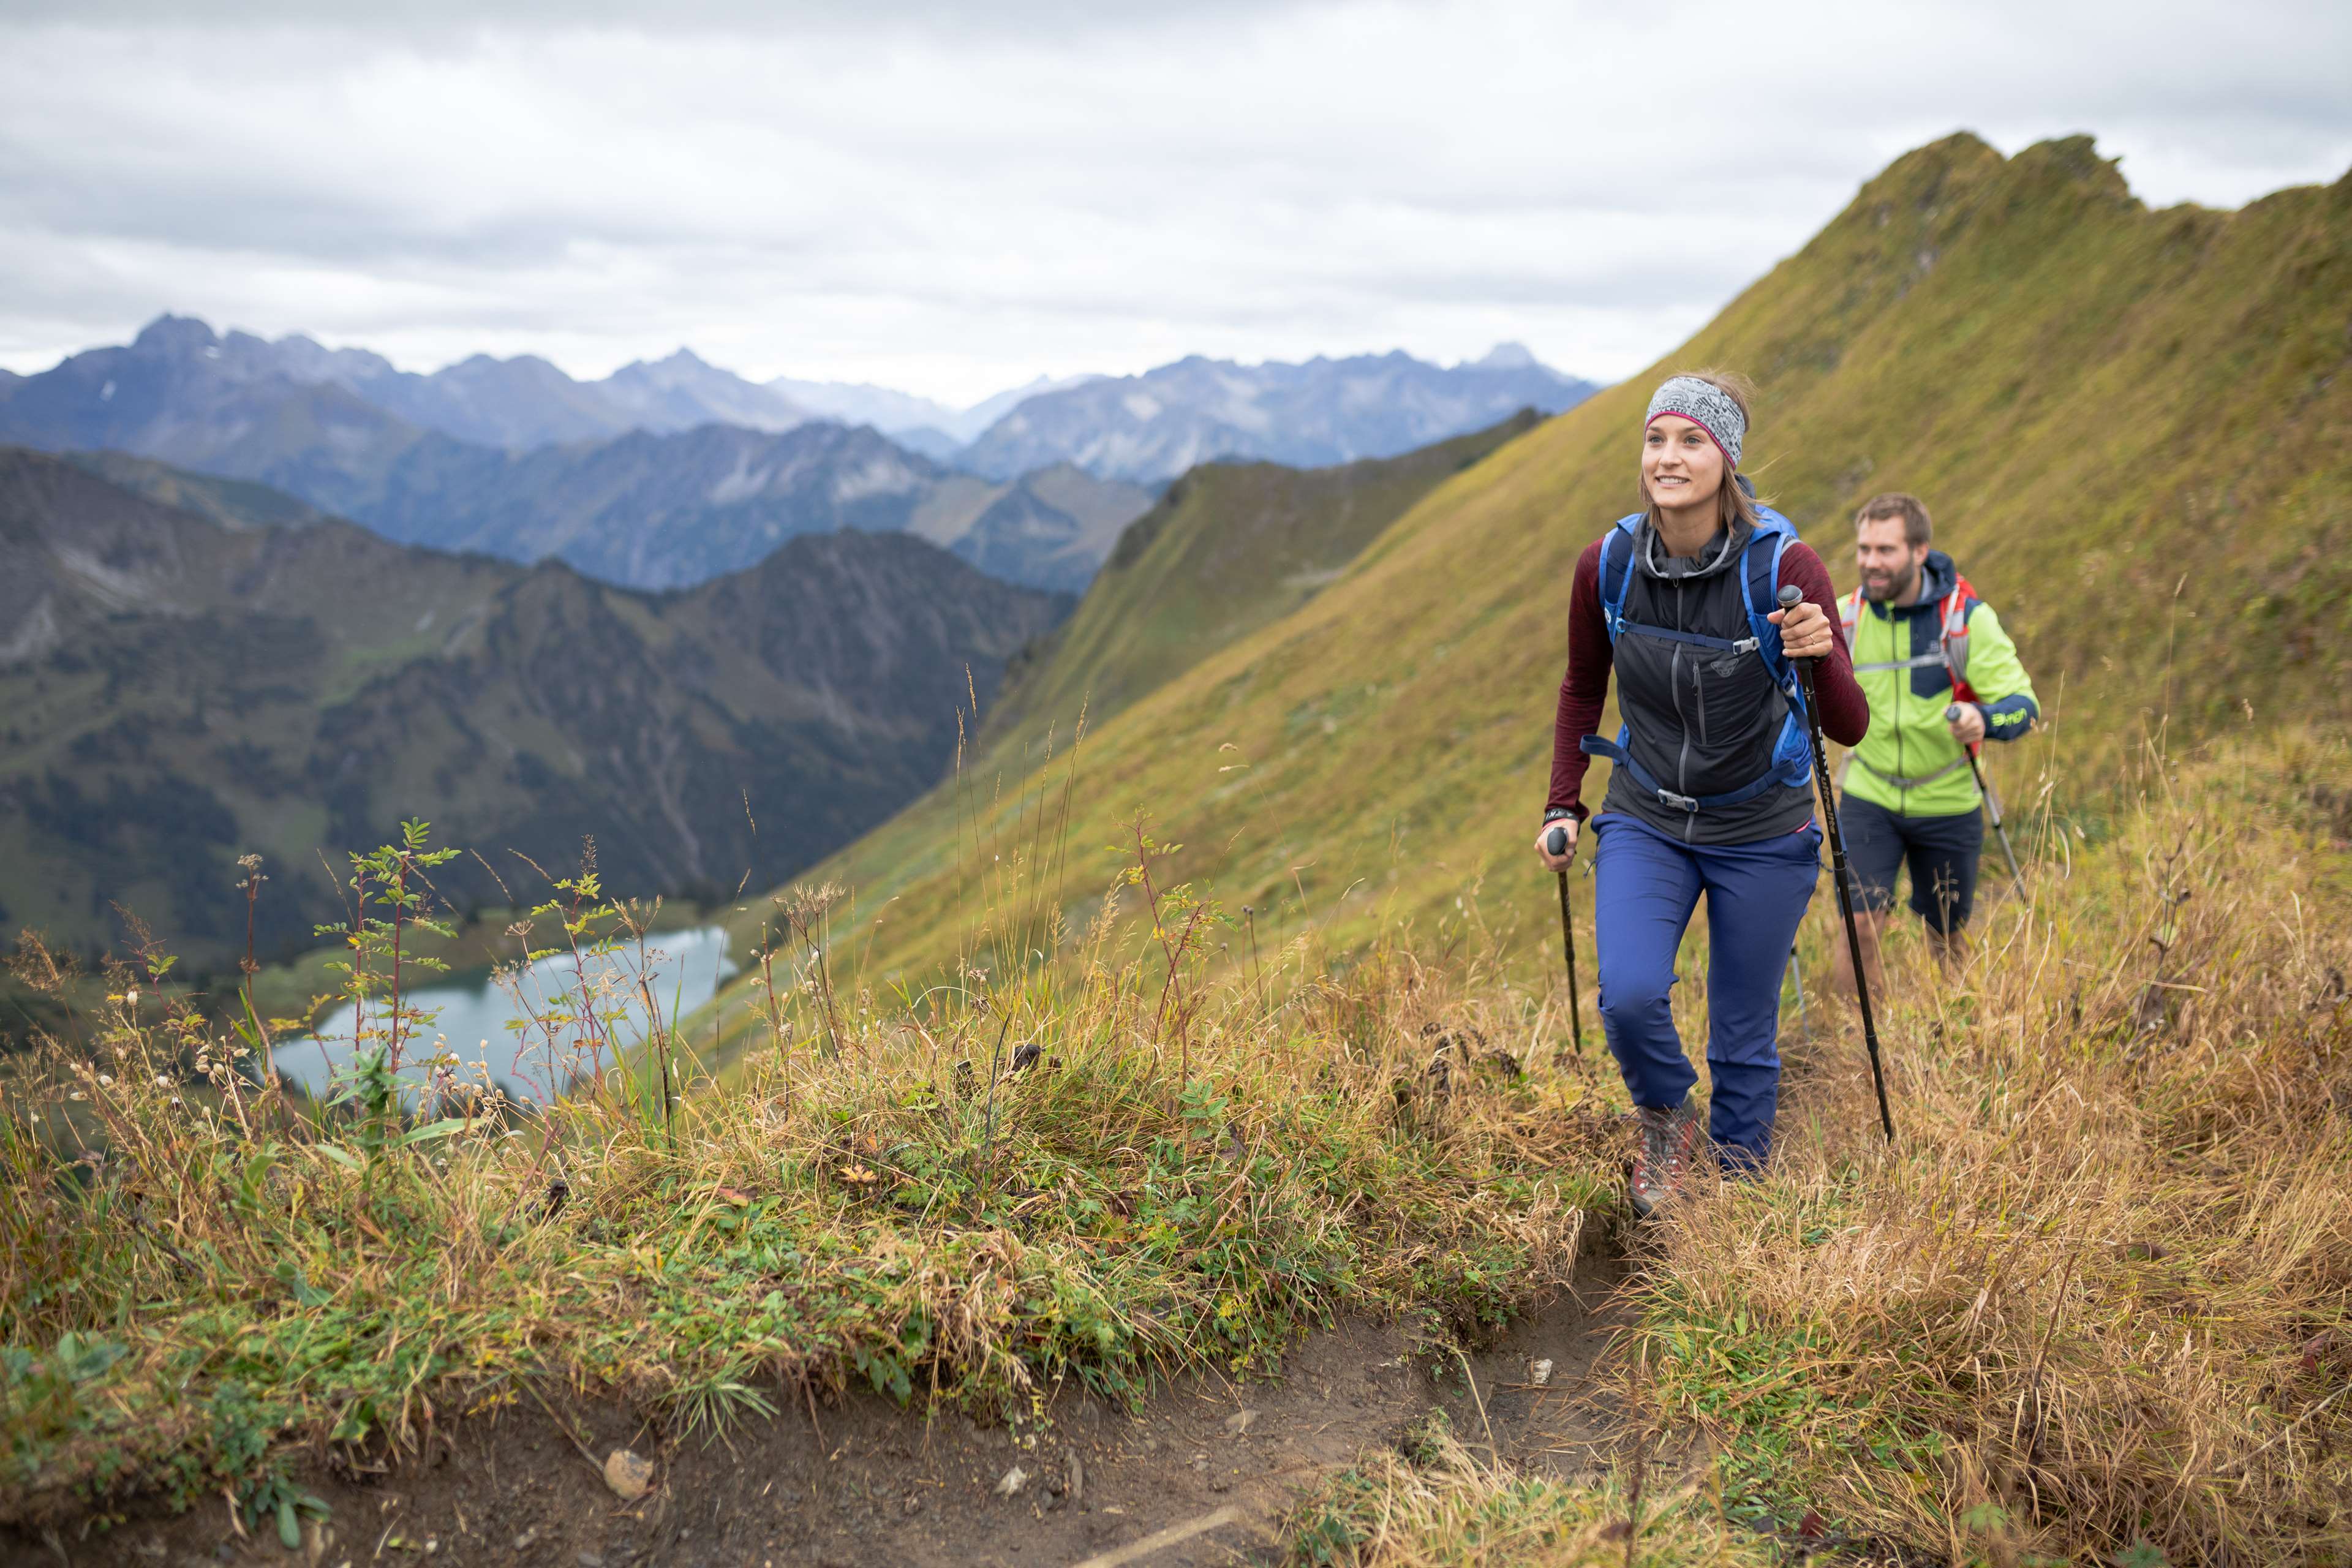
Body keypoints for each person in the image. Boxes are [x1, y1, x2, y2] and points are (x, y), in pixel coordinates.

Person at [1535, 371, 1867, 1218]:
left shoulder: (1786, 568)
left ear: (1727, 459)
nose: (1669, 458)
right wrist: (1563, 803)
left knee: (1743, 1033)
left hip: (1763, 827)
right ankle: (1669, 1120)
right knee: (1632, 994)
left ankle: (1740, 1205)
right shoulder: (1606, 565)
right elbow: (1582, 684)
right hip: (1648, 814)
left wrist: (1821, 652)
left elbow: (1850, 725)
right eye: (1657, 439)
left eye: (1691, 441)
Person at [1830, 493, 2038, 1003]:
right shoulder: (1845, 620)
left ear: (1920, 551)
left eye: (1886, 549)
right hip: (1869, 794)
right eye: (1864, 549)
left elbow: (2025, 708)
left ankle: (1949, 1034)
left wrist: (1982, 718)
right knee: (1859, 927)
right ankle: (1855, 1047)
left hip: (1949, 799)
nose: (1871, 562)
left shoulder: (1966, 620)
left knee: (1946, 935)